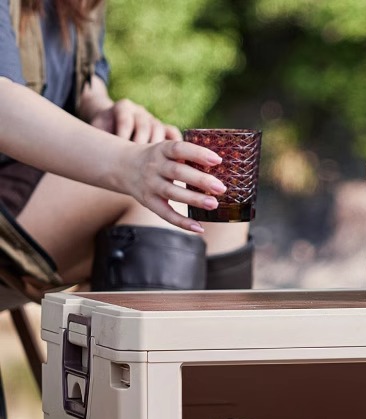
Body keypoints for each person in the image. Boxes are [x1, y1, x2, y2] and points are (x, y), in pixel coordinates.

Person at [0, 0, 254, 299]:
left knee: (220, 197)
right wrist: (130, 163)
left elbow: (86, 81)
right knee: (159, 198)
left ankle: (215, 345)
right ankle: (149, 344)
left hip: (35, 176)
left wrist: (105, 110)